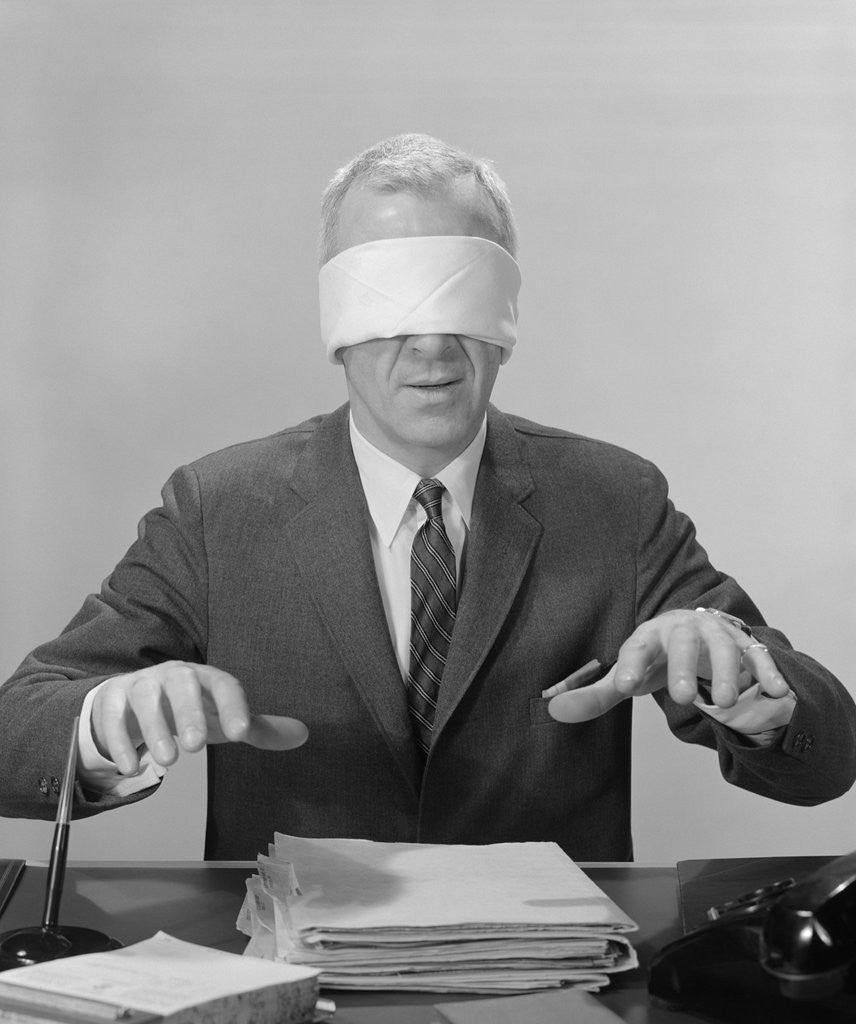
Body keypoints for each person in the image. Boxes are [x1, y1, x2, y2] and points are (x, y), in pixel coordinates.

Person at [1, 133, 854, 862]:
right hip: (298, 963)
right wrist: (106, 719)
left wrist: (748, 684)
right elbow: (16, 734)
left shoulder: (615, 502)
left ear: (507, 312)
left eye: (461, 300)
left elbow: (829, 756)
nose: (433, 345)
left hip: (541, 982)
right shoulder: (218, 508)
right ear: (336, 325)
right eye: (391, 306)